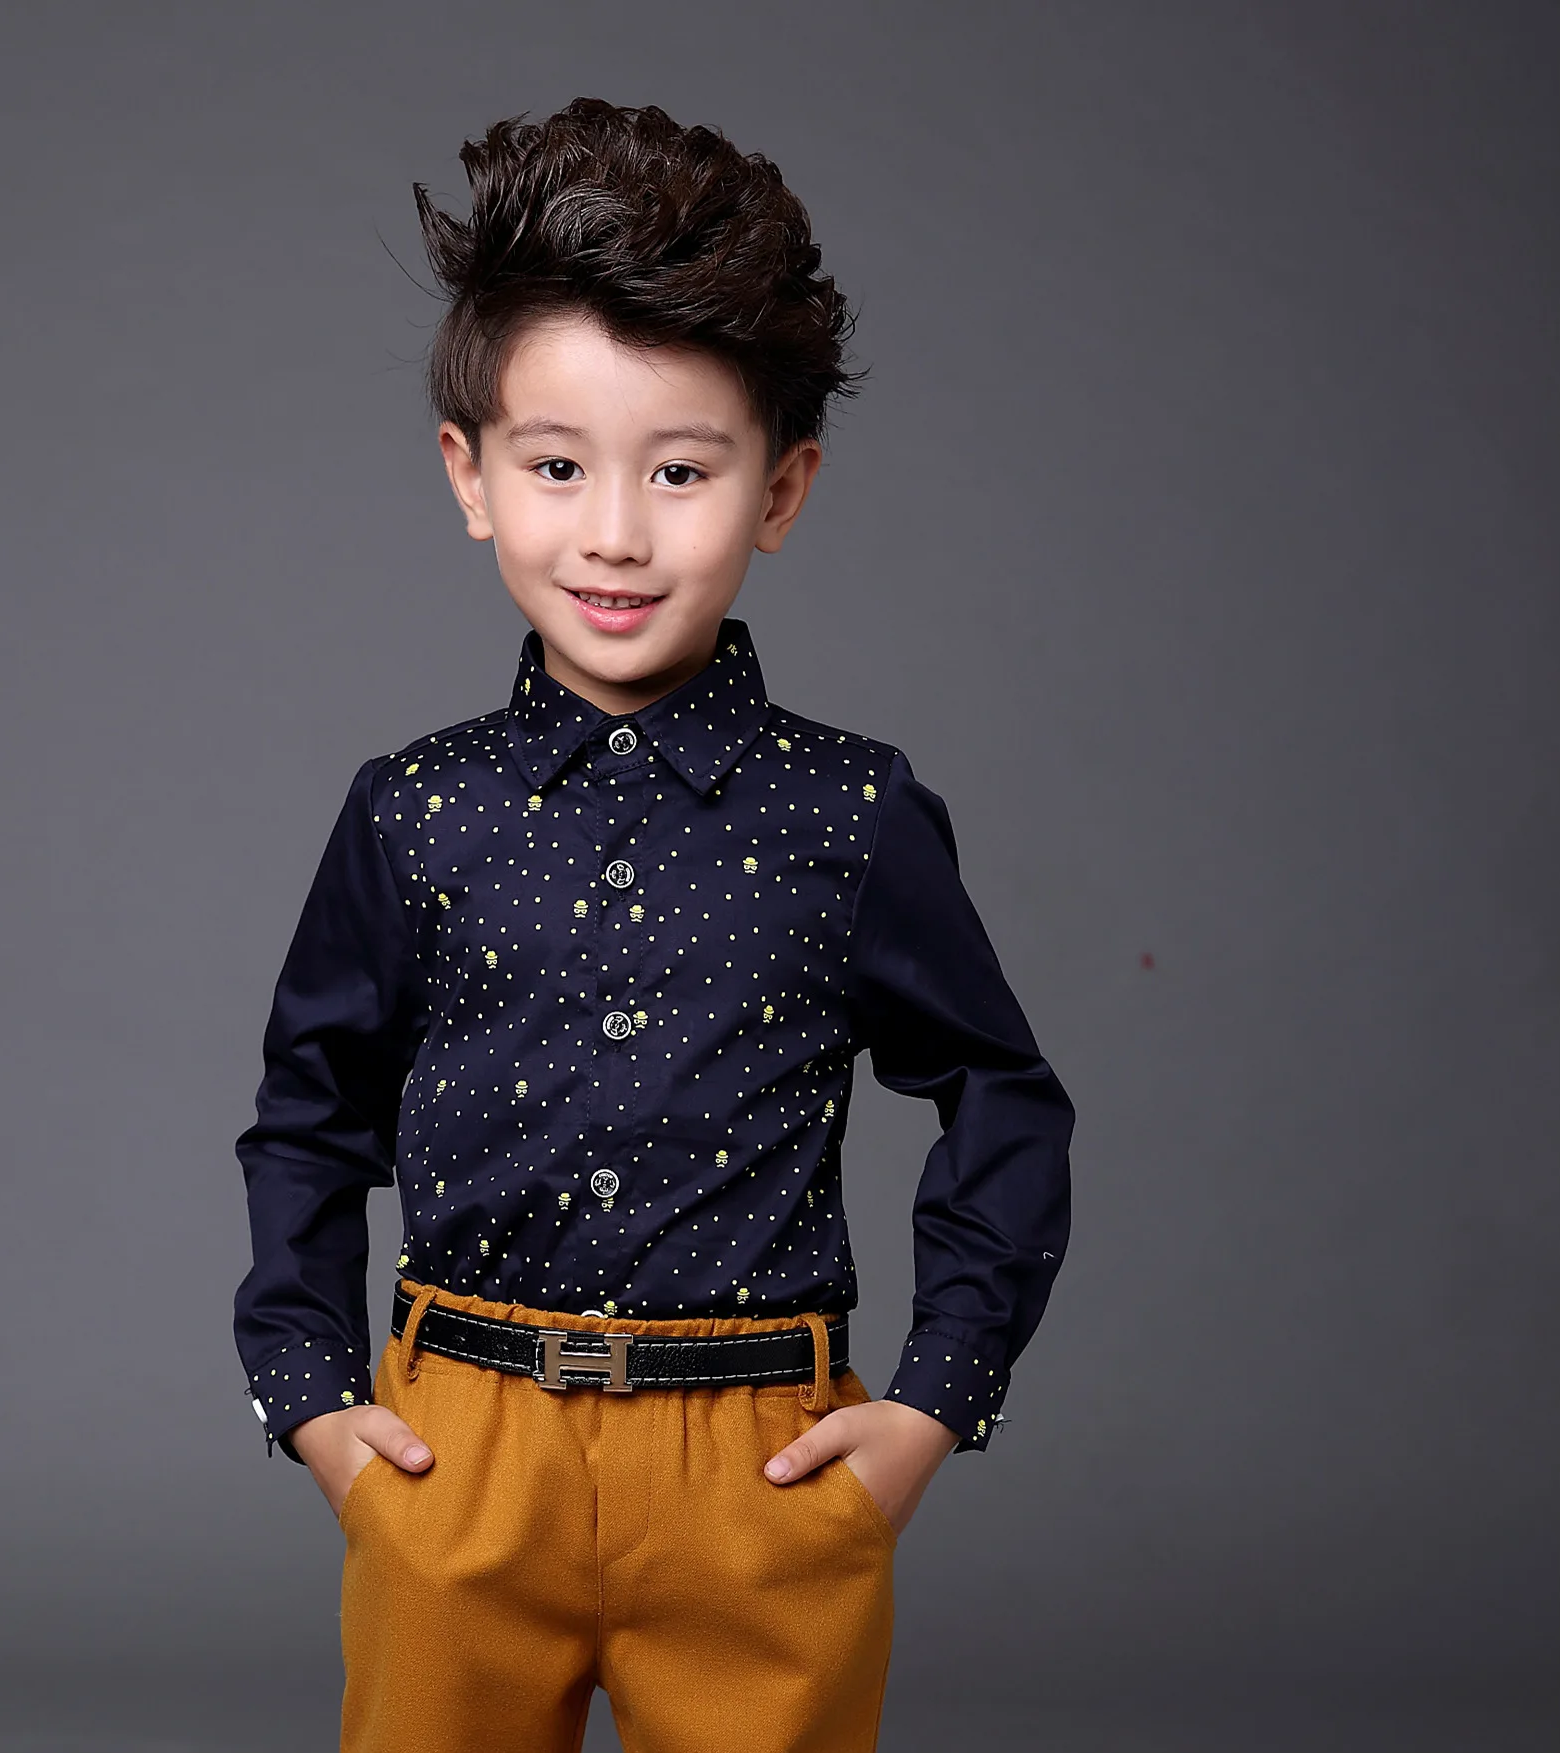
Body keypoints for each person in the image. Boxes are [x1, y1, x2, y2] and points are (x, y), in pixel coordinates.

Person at [233, 96, 1075, 1753]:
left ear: (782, 489)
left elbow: (1003, 1094)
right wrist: (312, 1396)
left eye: (682, 471)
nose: (615, 531)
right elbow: (307, 1114)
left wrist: (936, 1401)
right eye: (557, 467)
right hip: (462, 1459)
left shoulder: (852, 813)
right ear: (472, 478)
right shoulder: (412, 812)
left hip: (758, 1472)